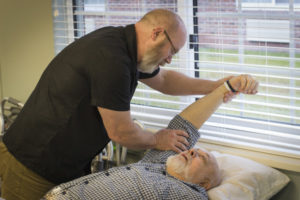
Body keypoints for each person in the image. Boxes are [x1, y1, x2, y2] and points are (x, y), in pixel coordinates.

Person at [0, 9, 235, 200]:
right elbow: (121, 132)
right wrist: (157, 139)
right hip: (33, 163)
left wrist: (214, 87)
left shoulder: (123, 45)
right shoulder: (112, 60)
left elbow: (164, 80)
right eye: (172, 50)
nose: (169, 59)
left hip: (64, 167)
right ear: (156, 33)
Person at [43, 74, 259, 200]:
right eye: (194, 150)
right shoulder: (160, 165)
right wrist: (228, 87)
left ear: (204, 183)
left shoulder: (186, 194)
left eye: (201, 158)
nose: (191, 150)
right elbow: (185, 127)